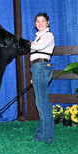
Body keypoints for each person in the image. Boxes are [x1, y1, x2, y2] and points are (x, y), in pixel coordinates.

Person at [30, 13, 55, 143]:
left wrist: (25, 43)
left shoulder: (48, 35)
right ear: (35, 24)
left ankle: (44, 136)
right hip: (38, 68)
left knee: (41, 103)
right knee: (43, 102)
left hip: (40, 66)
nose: (40, 23)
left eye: (43, 21)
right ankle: (48, 136)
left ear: (48, 23)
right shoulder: (39, 36)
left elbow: (39, 47)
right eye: (37, 21)